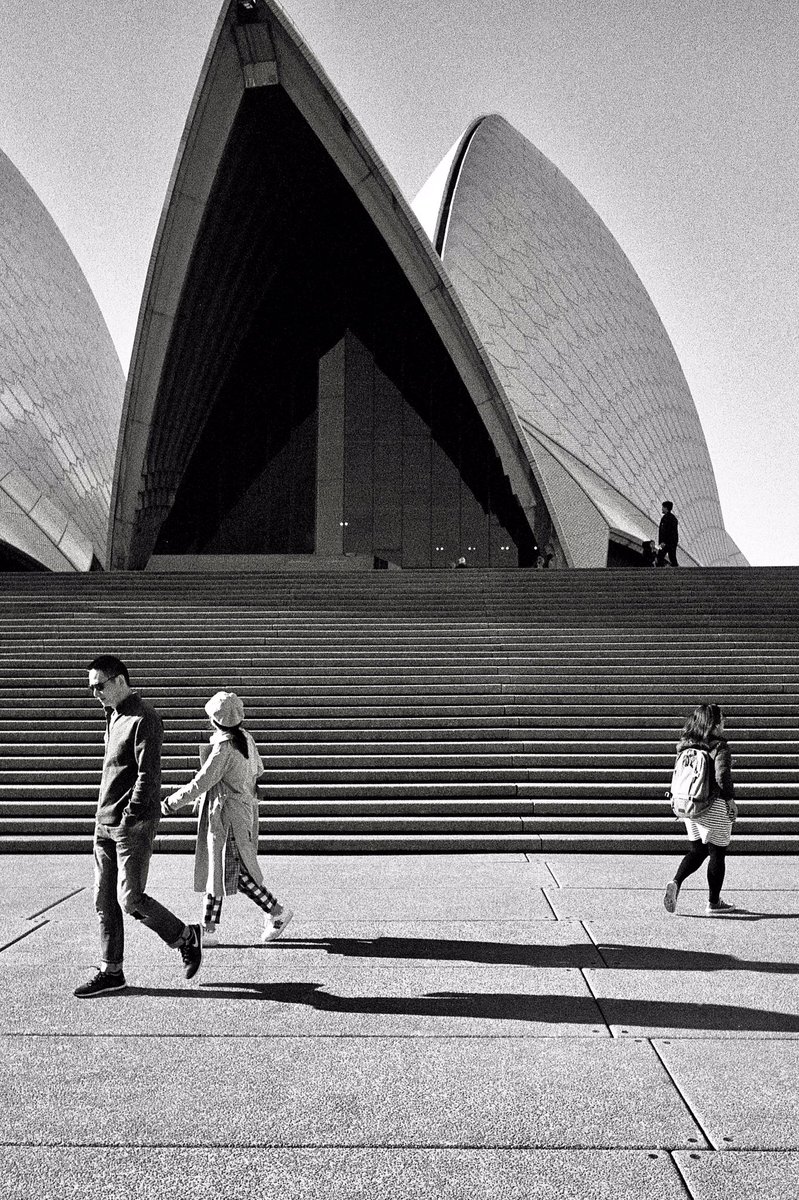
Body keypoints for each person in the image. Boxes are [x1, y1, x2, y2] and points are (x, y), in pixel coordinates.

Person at [75, 655, 202, 998]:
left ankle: (185, 936)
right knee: (105, 901)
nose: (95, 693)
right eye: (90, 688)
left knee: (130, 899)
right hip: (104, 822)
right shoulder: (112, 714)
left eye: (99, 685)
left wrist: (132, 816)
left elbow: (150, 775)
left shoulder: (144, 717)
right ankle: (111, 970)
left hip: (131, 824)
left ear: (119, 680)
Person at [161, 691, 293, 945]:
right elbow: (260, 769)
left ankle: (276, 911)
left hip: (226, 817)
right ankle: (208, 928)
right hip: (239, 812)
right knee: (219, 870)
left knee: (233, 873)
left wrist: (169, 804)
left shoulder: (224, 747)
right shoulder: (245, 738)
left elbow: (200, 783)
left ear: (213, 719)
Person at [663, 703, 738, 915]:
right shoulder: (718, 746)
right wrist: (730, 800)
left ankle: (676, 882)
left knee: (698, 850)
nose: (724, 722)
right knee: (717, 853)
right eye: (721, 719)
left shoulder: (686, 745)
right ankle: (714, 903)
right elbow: (722, 776)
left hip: (689, 803)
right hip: (712, 803)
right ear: (713, 725)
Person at [656, 500, 679, 567]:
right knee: (672, 557)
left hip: (666, 543)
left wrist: (663, 542)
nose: (662, 508)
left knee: (660, 556)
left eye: (663, 507)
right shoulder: (672, 518)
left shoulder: (667, 518)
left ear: (666, 508)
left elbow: (666, 531)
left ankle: (659, 573)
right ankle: (676, 570)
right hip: (671, 542)